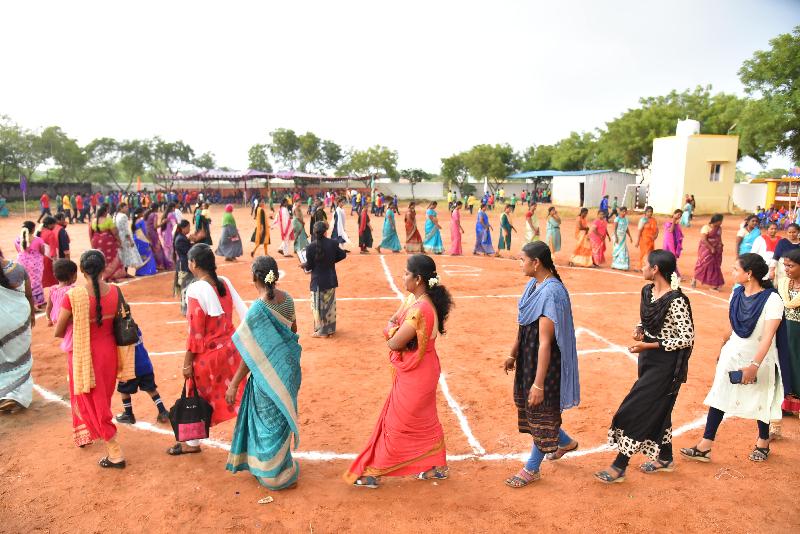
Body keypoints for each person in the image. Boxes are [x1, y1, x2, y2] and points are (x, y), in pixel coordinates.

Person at [346, 254, 453, 488]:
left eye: (406, 273)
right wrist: (393, 328)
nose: (403, 277)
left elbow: (394, 342)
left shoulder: (419, 308)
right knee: (425, 419)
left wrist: (389, 330)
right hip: (423, 368)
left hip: (417, 373)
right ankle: (437, 466)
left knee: (397, 422)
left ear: (418, 279)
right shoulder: (414, 301)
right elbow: (395, 324)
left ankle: (374, 472)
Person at [595, 250, 695, 483]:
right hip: (648, 360)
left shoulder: (677, 301)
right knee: (660, 409)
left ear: (655, 269)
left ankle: (619, 465)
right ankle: (666, 458)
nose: (641, 267)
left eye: (645, 264)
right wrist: (640, 328)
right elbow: (648, 318)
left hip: (667, 365)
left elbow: (686, 338)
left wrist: (649, 346)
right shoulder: (648, 292)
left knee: (636, 408)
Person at [680, 254, 784, 464]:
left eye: (736, 269)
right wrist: (722, 347)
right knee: (720, 394)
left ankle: (763, 441)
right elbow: (733, 327)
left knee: (760, 398)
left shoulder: (772, 299)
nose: (732, 272)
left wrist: (754, 365)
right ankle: (705, 446)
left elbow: (768, 335)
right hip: (733, 353)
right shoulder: (736, 294)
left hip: (759, 357)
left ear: (749, 273)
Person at [503, 241, 580, 487]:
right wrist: (513, 354)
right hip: (528, 359)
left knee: (541, 413)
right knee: (535, 411)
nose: (520, 263)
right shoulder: (532, 286)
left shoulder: (551, 292)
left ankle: (532, 468)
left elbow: (545, 343)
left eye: (523, 259)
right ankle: (565, 442)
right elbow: (524, 326)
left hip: (545, 366)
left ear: (536, 262)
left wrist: (539, 384)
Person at [225, 256, 302, 490]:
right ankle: (282, 466)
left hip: (266, 376)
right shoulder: (287, 299)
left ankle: (270, 473)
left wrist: (234, 384)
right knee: (281, 418)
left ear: (255, 277)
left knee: (267, 422)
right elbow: (294, 329)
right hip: (288, 372)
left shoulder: (257, 310)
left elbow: (250, 357)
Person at [54, 250, 134, 465]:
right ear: (104, 267)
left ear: (81, 269)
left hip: (84, 355)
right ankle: (106, 436)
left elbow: (59, 331)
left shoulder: (73, 296)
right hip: (108, 352)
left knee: (92, 401)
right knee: (102, 399)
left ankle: (114, 451)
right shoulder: (116, 292)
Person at [168, 243, 247, 456]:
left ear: (193, 264)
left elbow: (195, 332)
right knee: (238, 395)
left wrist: (187, 362)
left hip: (208, 355)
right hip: (231, 350)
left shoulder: (196, 289)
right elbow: (242, 313)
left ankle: (191, 443)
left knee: (196, 394)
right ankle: (251, 437)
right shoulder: (225, 283)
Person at [0, 256, 35, 414]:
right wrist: (32, 315)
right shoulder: (17, 268)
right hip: (19, 320)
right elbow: (28, 294)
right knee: (22, 359)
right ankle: (17, 396)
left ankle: (4, 394)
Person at [114, 328, 170, 425]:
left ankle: (128, 414)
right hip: (145, 365)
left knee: (124, 390)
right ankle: (163, 411)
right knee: (151, 389)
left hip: (131, 368)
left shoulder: (119, 332)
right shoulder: (136, 328)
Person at [303, 222, 347, 338]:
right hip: (330, 279)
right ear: (325, 232)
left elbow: (309, 266)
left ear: (314, 232)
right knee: (330, 305)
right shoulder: (333, 243)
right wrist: (332, 260)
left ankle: (321, 331)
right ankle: (329, 330)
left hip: (317, 281)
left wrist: (304, 265)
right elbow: (343, 255)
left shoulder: (310, 247)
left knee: (317, 306)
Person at [777, 249, 800, 414]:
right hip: (785, 329)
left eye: (790, 266)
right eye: (785, 266)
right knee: (786, 362)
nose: (786, 269)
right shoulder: (784, 283)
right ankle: (787, 403)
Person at [89, 207, 127, 281]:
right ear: (104, 212)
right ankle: (111, 276)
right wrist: (119, 241)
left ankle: (103, 275)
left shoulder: (93, 221)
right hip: (107, 242)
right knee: (111, 258)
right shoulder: (108, 220)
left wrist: (92, 243)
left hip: (96, 242)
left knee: (101, 258)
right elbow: (115, 233)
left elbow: (91, 233)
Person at [15, 221, 46, 309]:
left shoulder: (17, 239)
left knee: (24, 281)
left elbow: (18, 250)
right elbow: (42, 251)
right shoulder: (38, 240)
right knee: (36, 282)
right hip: (35, 264)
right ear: (33, 229)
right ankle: (39, 302)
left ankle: (25, 300)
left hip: (21, 262)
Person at [692, 214, 725, 291]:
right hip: (706, 249)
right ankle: (694, 278)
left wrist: (720, 245)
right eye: (720, 221)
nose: (721, 223)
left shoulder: (719, 228)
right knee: (704, 265)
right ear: (716, 221)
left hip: (716, 250)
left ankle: (713, 284)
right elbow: (703, 239)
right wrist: (711, 248)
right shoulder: (706, 228)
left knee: (715, 266)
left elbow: (719, 238)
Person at [114, 203, 143, 275]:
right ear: (121, 208)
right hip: (125, 237)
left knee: (123, 255)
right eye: (125, 207)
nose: (127, 209)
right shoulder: (124, 216)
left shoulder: (116, 215)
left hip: (119, 236)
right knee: (127, 255)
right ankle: (126, 272)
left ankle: (125, 272)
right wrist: (130, 240)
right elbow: (126, 230)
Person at [172, 220, 194, 316]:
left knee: (186, 287)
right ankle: (185, 310)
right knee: (185, 288)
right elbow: (188, 251)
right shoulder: (180, 239)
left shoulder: (181, 237)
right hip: (184, 266)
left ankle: (186, 309)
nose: (189, 229)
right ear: (183, 228)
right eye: (188, 227)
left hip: (184, 264)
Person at [132, 208, 157, 276]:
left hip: (136, 239)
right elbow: (145, 232)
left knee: (139, 255)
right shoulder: (141, 221)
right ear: (140, 213)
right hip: (142, 239)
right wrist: (149, 240)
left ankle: (138, 271)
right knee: (148, 254)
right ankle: (148, 270)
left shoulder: (134, 221)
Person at [636, 206, 659, 271]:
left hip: (651, 241)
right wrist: (637, 241)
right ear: (645, 212)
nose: (650, 213)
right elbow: (640, 231)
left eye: (651, 212)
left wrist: (656, 236)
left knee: (650, 254)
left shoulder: (654, 220)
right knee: (644, 253)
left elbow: (657, 229)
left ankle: (648, 267)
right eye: (648, 212)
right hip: (644, 240)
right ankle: (642, 267)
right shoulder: (643, 220)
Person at [662, 210, 684, 276]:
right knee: (671, 257)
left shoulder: (677, 224)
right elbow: (671, 230)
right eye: (678, 214)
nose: (679, 216)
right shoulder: (668, 223)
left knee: (671, 258)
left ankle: (669, 272)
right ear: (674, 214)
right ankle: (676, 273)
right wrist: (674, 221)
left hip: (674, 243)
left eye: (680, 215)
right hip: (669, 244)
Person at [39, 216, 60, 288]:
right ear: (50, 225)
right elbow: (53, 249)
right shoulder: (50, 234)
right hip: (49, 259)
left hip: (41, 257)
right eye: (54, 224)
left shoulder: (40, 232)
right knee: (52, 280)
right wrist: (55, 261)